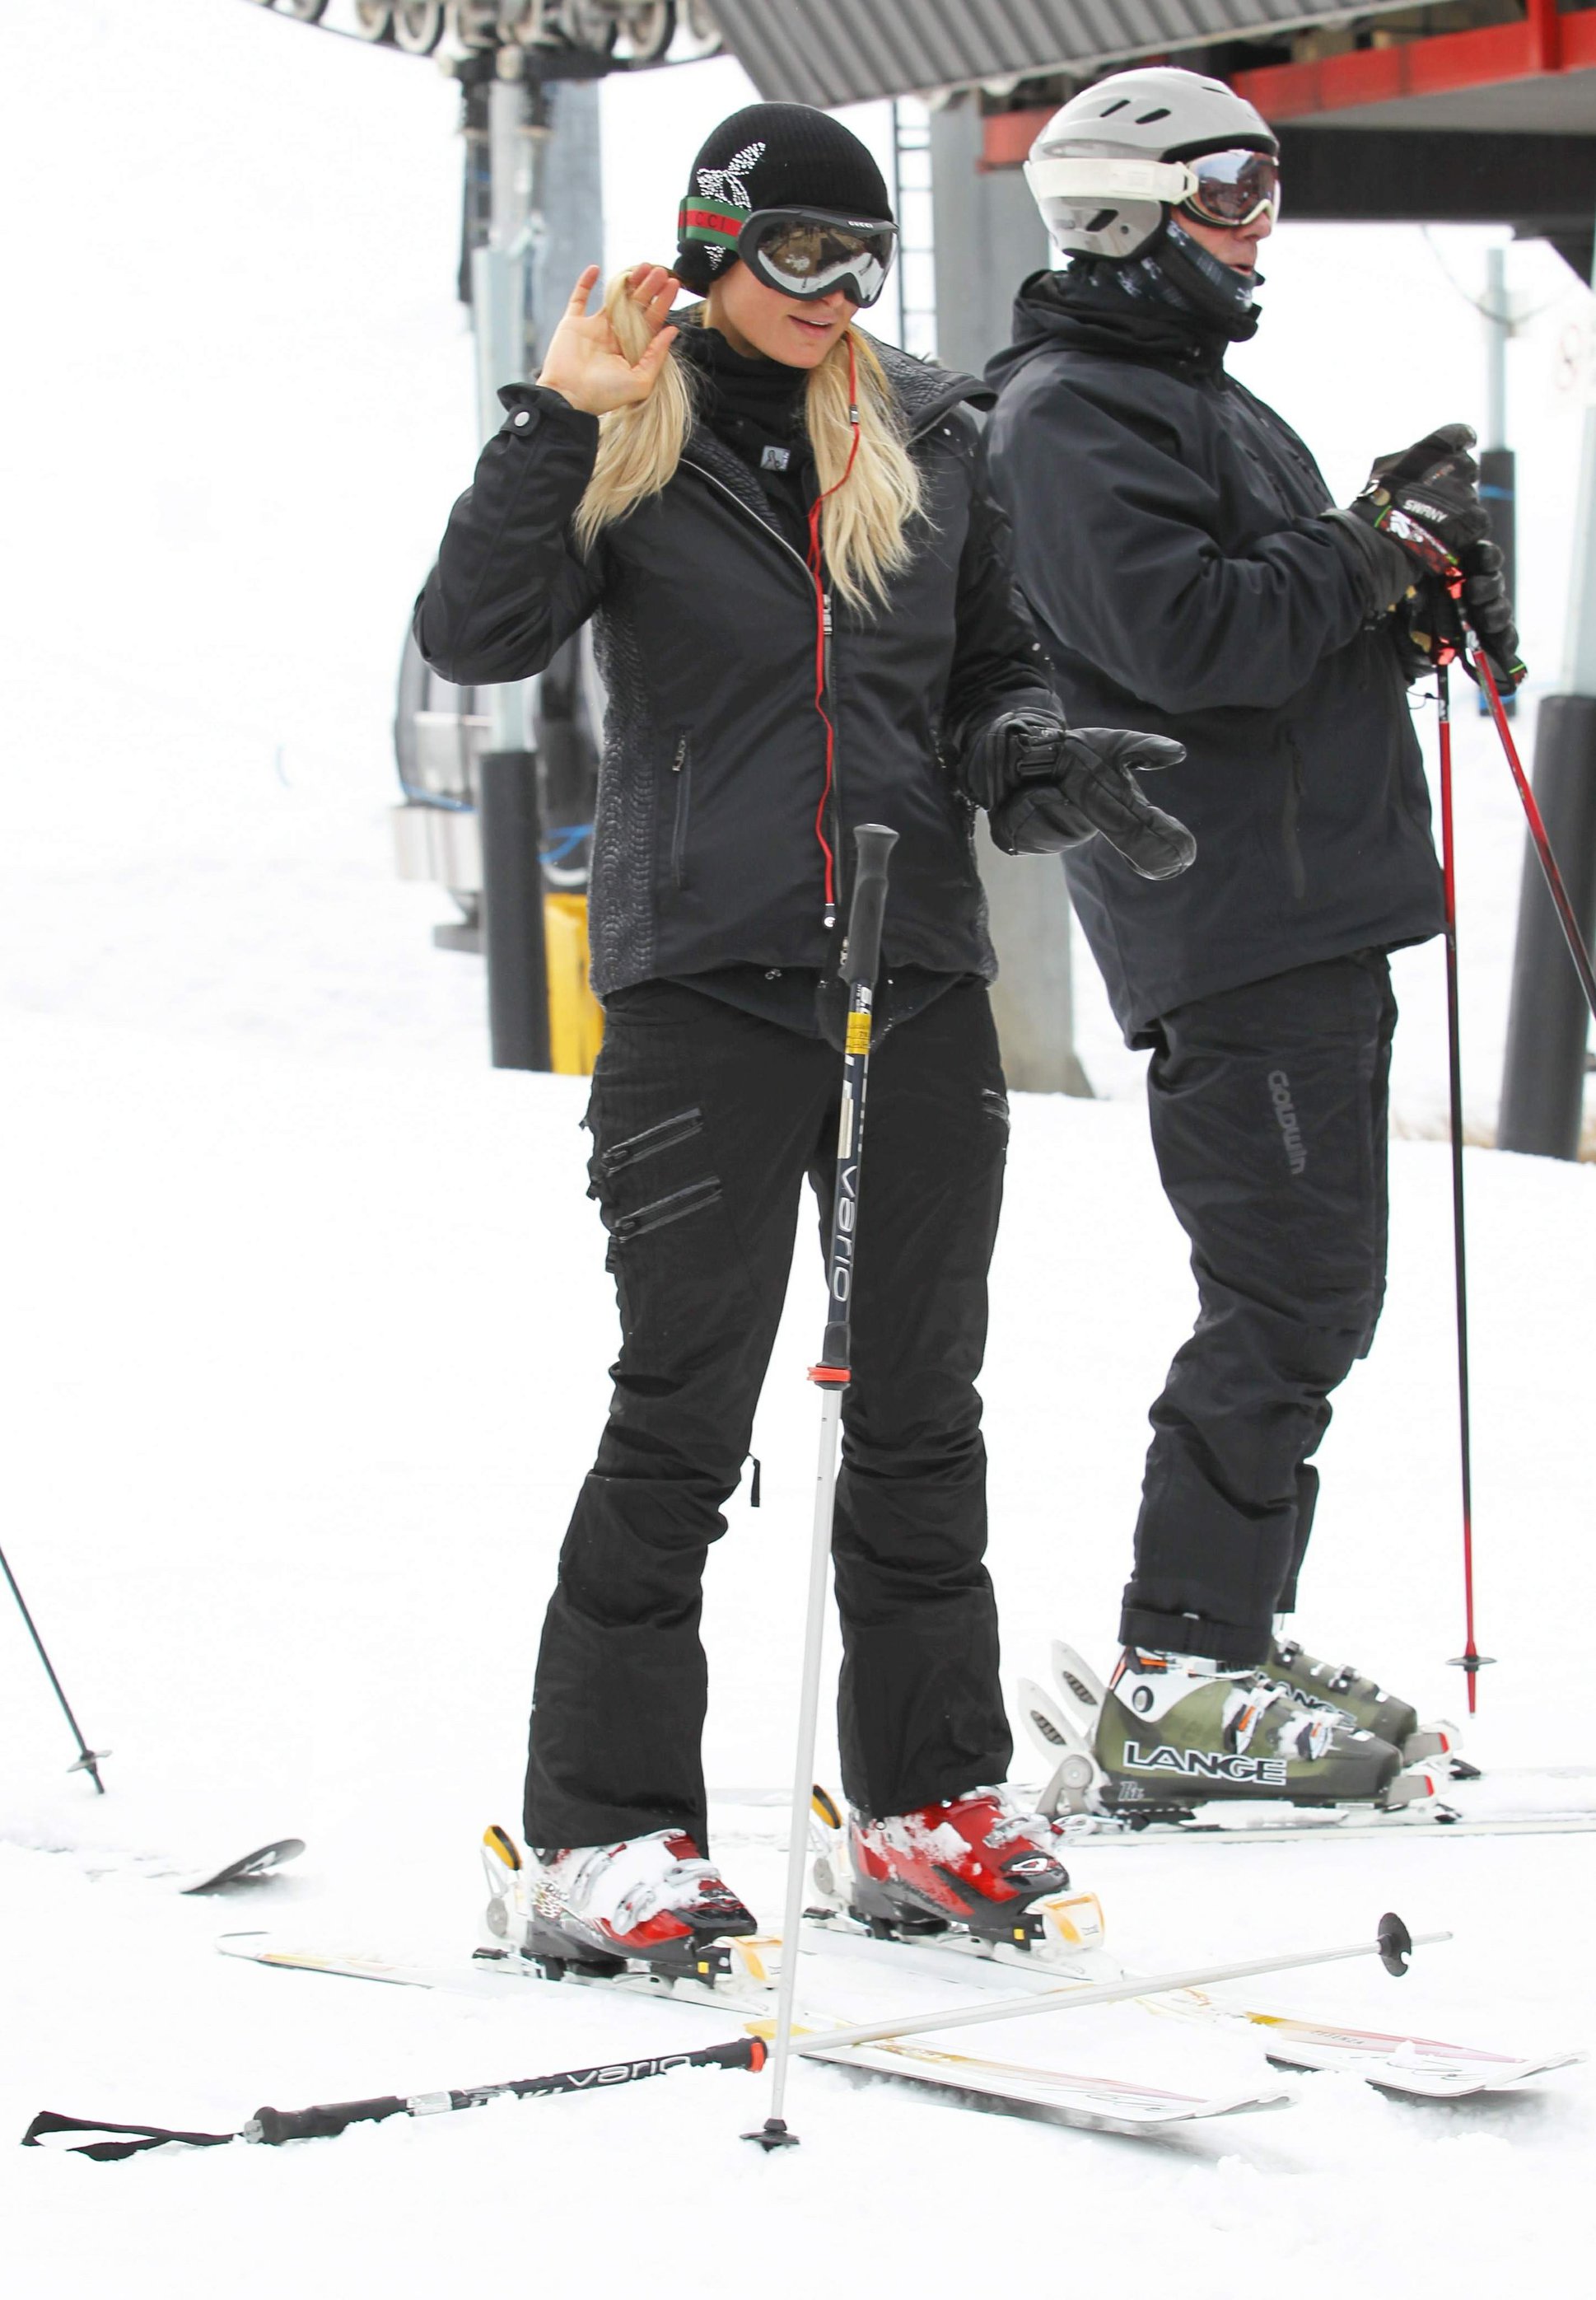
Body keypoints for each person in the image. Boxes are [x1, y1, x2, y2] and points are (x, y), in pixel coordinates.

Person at [416, 103, 1195, 1961]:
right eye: (795, 260)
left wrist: (1034, 758)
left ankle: (926, 1800)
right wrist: (552, 420)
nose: (835, 297)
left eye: (864, 264)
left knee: (922, 1409)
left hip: (908, 977)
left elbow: (988, 671)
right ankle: (604, 1837)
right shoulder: (626, 427)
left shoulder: (933, 432)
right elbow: (472, 633)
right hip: (703, 992)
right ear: (711, 247)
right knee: (685, 1409)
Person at [983, 68, 1524, 1815]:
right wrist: (1361, 558)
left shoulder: (1192, 400)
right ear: (1118, 210)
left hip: (1299, 911)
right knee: (1286, 1295)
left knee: (1310, 1292)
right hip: (1229, 923)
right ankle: (1184, 1663)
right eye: (1222, 189)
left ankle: (1220, 1638)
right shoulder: (1069, 415)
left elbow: (1276, 629)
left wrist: (1415, 592)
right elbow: (1188, 636)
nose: (1253, 224)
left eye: (1267, 187)